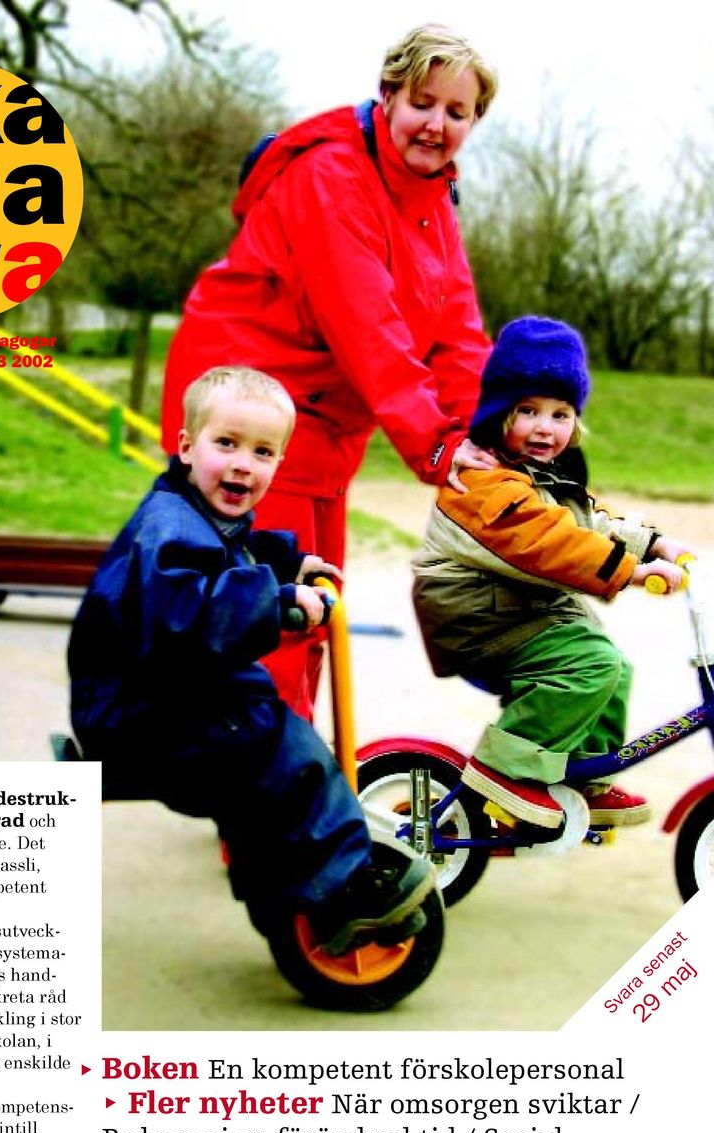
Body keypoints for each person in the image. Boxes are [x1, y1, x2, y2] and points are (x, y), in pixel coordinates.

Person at [161, 24, 500, 720]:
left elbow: (458, 331)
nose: (436, 125)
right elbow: (366, 324)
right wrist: (437, 445)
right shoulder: (333, 175)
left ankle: (277, 782)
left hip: (322, 421)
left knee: (319, 609)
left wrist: (489, 435)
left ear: (473, 122)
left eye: (457, 112)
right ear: (387, 96)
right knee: (271, 619)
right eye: (423, 102)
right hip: (248, 409)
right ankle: (264, 813)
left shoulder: (432, 202)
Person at [69, 366, 435, 954]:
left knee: (257, 763)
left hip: (159, 697)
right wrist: (281, 603)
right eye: (227, 444)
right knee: (285, 753)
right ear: (187, 447)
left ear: (278, 462)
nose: (243, 463)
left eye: (262, 451)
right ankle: (346, 894)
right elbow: (187, 613)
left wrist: (287, 564)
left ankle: (282, 895)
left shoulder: (193, 512)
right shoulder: (168, 528)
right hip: (138, 715)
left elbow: (233, 548)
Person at [411, 316, 694, 829]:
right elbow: (548, 541)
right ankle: (506, 769)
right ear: (500, 415)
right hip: (472, 614)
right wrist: (630, 571)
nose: (546, 427)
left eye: (560, 414)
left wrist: (655, 543)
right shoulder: (484, 481)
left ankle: (582, 772)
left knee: (613, 666)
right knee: (588, 665)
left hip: (514, 606)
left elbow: (589, 522)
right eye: (528, 411)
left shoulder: (545, 474)